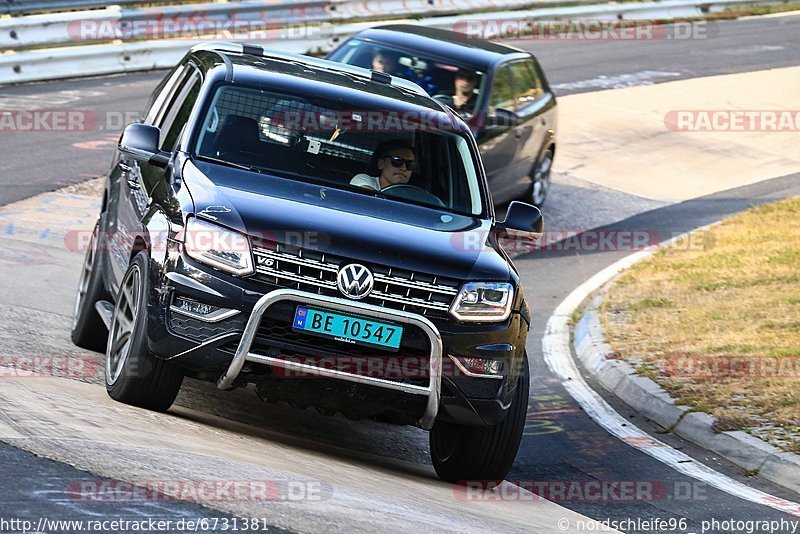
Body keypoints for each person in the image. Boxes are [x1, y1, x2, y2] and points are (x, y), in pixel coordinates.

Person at [350, 140, 416, 191]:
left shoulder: (415, 196)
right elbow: (370, 200)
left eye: (410, 164)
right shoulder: (362, 180)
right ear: (381, 164)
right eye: (397, 161)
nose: (404, 168)